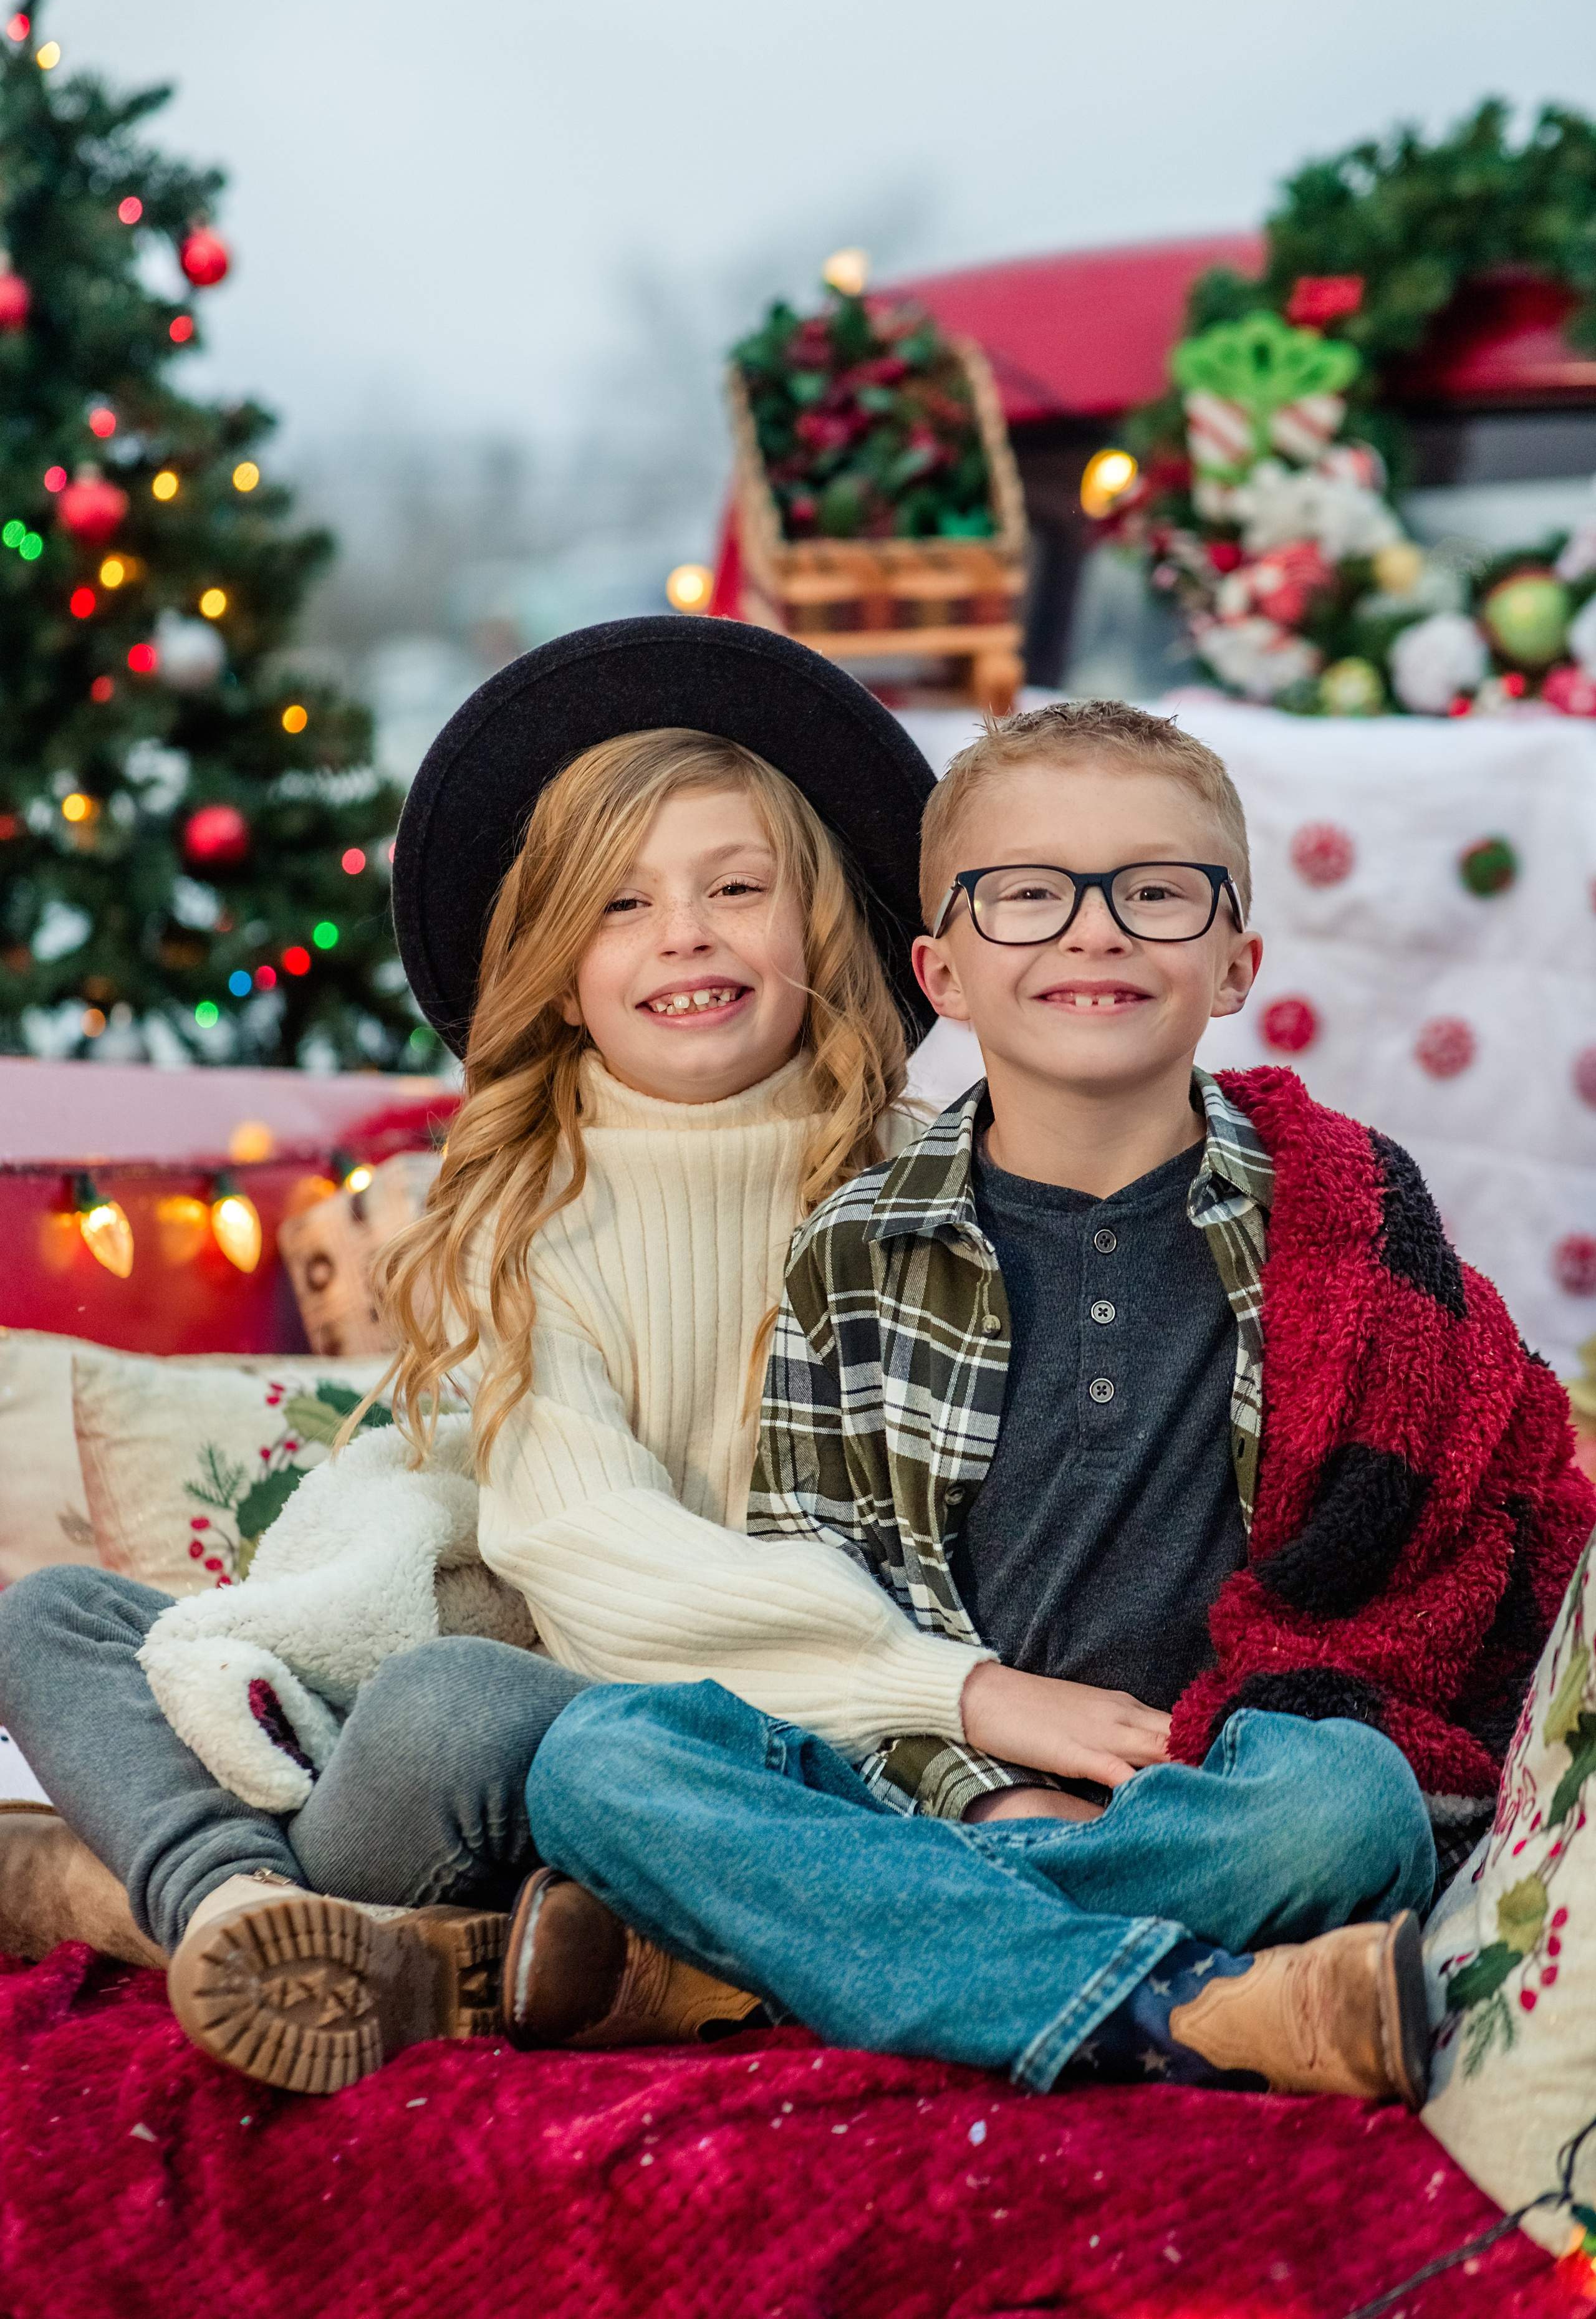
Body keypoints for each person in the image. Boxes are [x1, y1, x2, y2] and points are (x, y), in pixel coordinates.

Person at [0, 623, 1140, 2093]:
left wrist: (949, 1696)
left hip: (752, 1746)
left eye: (737, 888)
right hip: (508, 1722)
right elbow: (576, 1542)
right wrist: (967, 1689)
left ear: (826, 930)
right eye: (619, 905)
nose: (685, 933)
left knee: (471, 1706)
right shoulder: (527, 1215)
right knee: (62, 1618)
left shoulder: (940, 1187)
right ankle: (239, 1908)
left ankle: (167, 1894)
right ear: (554, 974)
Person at [506, 698, 1595, 2106]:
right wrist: (985, 1790)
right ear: (941, 970)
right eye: (1026, 896)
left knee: (1349, 1811)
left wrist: (1202, 1765)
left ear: (1234, 962)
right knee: (603, 1758)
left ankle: (800, 1952)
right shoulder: (854, 1243)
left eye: (1153, 892)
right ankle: (1185, 2005)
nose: (1093, 931)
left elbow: (1456, 1542)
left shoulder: (1344, 1223)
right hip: (941, 1778)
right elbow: (824, 1585)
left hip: (1211, 1784)